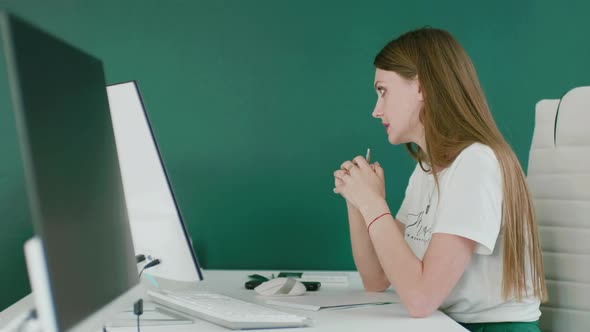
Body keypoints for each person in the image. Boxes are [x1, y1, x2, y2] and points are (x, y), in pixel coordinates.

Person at [332, 27, 547, 331]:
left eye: (383, 91)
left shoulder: (476, 163)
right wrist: (358, 202)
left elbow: (420, 298)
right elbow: (376, 278)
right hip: (445, 324)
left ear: (421, 87)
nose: (376, 110)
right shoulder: (428, 168)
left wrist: (373, 203)